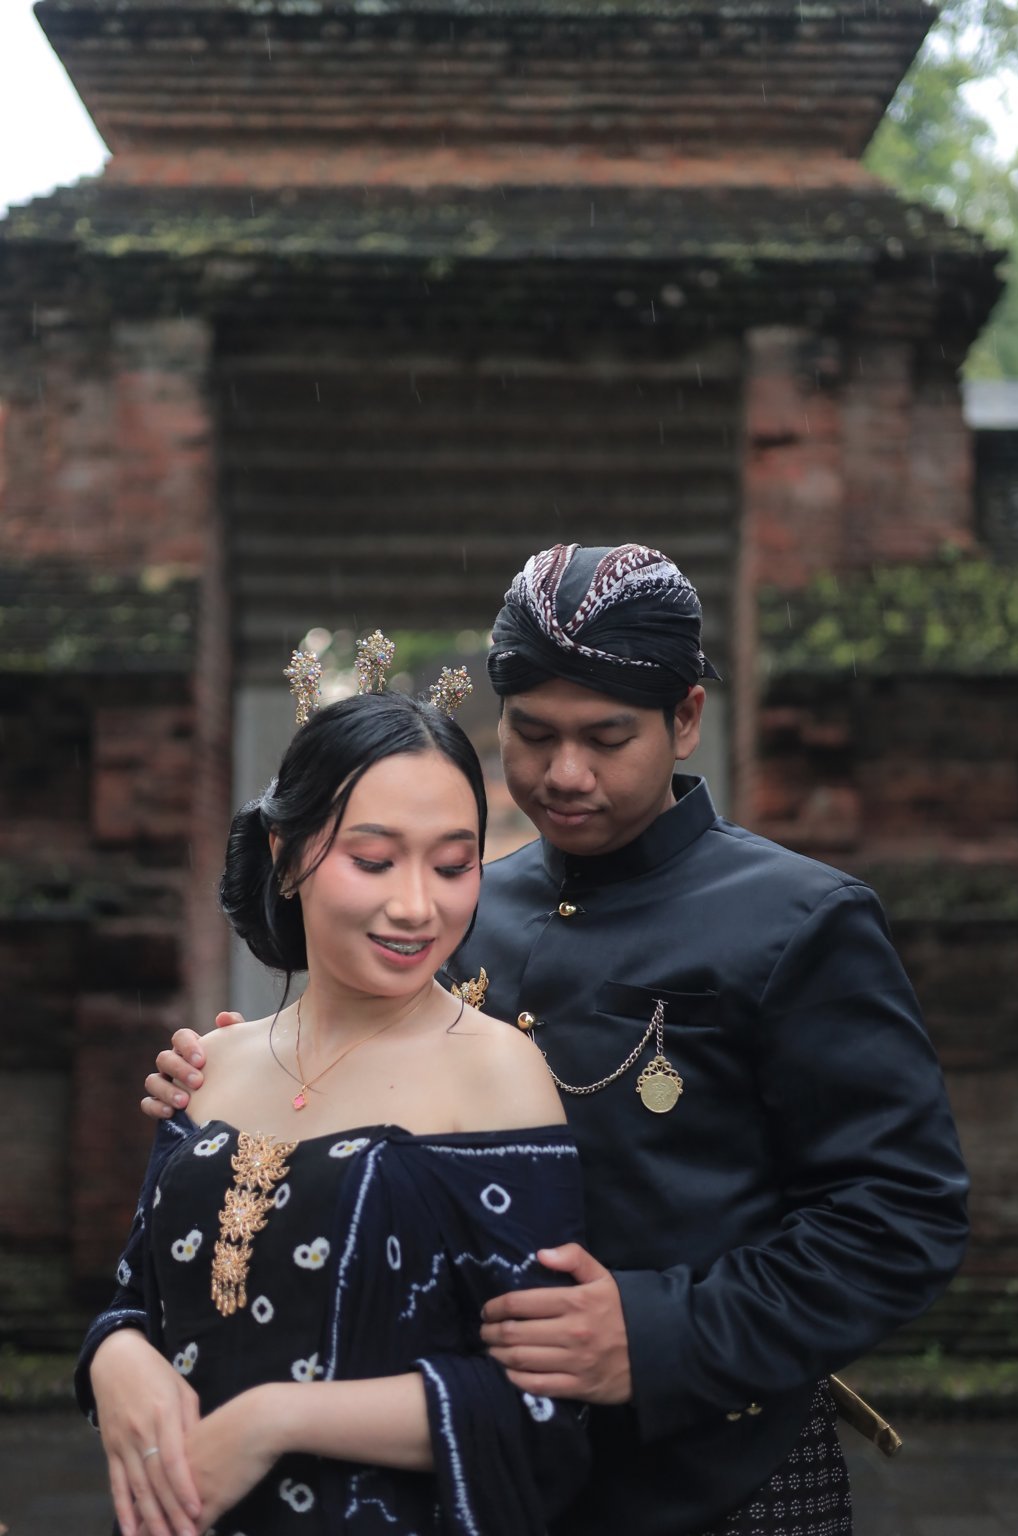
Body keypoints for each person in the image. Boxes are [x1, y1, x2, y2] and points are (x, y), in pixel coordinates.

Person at [142, 544, 969, 1536]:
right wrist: (247, 1082)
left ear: (685, 720)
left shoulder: (796, 920)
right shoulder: (467, 907)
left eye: (607, 738)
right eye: (531, 734)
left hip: (717, 1473)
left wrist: (656, 1334)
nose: (564, 774)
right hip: (463, 1466)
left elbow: (901, 1214)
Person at [76, 681, 590, 1536]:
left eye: (453, 866)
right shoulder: (209, 1065)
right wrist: (114, 1355)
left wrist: (276, 1418)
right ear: (285, 854)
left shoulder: (497, 1072)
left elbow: (540, 1399)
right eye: (374, 860)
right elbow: (140, 1297)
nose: (417, 905)